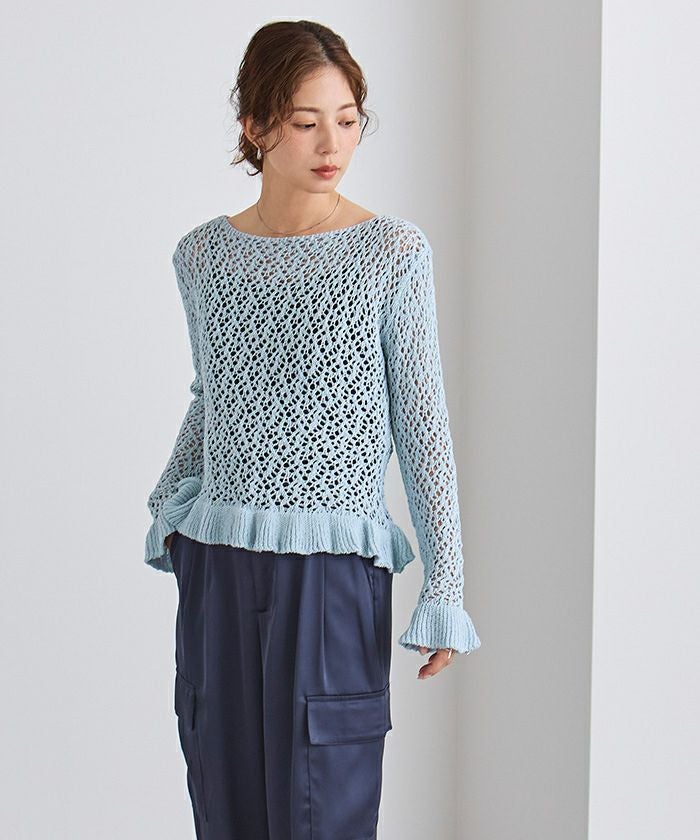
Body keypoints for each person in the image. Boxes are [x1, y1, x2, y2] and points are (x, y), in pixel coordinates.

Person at [144, 19, 481, 840]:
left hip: (332, 576)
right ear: (255, 125)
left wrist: (445, 586)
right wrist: (168, 505)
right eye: (306, 122)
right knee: (225, 805)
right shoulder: (203, 257)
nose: (333, 143)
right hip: (219, 566)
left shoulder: (391, 253)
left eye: (349, 119)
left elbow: (422, 420)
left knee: (320, 811)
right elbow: (213, 394)